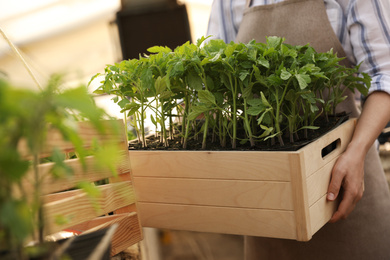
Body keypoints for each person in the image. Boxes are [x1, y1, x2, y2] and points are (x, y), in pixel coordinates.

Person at [206, 0, 390, 259]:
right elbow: (210, 75)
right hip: (267, 197)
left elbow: (384, 76)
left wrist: (357, 152)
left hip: (345, 180)